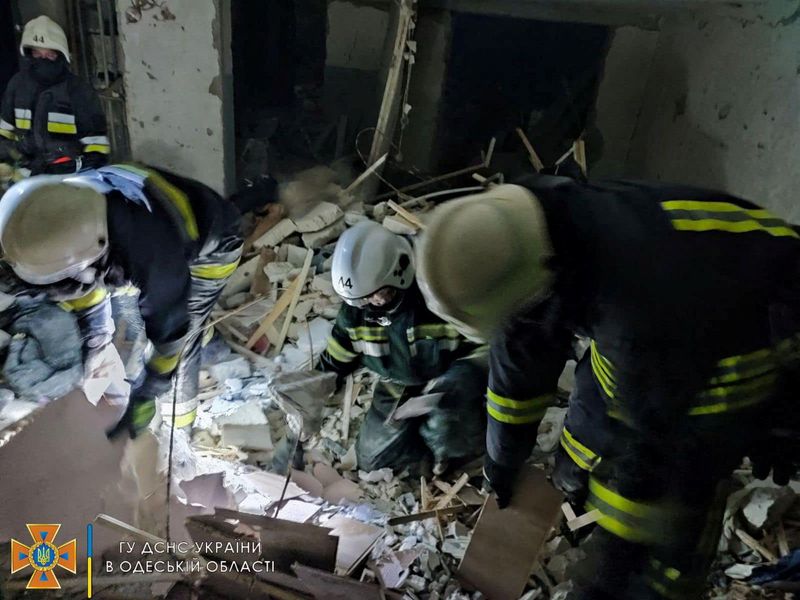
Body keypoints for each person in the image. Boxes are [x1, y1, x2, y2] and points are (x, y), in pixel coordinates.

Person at [415, 177, 800, 599]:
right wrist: (501, 463)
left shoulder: (641, 315)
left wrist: (608, 573)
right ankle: (584, 503)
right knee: (588, 434)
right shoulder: (532, 227)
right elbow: (523, 349)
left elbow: (651, 452)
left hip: (750, 333)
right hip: (656, 319)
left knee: (679, 498)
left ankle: (668, 582)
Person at [0, 163, 242, 437]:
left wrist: (149, 391)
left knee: (186, 335)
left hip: (215, 242)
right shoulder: (55, 208)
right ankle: (211, 342)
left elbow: (172, 333)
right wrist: (91, 338)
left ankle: (181, 431)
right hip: (140, 219)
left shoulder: (153, 261)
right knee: (121, 309)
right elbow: (82, 287)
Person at [318, 220, 487, 474]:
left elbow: (491, 343)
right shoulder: (356, 314)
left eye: (380, 291)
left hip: (451, 382)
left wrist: (464, 376)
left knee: (451, 438)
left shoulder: (442, 293)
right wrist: (313, 387)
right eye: (364, 298)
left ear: (399, 269)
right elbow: (337, 357)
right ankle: (427, 455)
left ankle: (462, 452)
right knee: (372, 460)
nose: (375, 301)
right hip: (397, 384)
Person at [0, 16, 110, 174]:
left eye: (50, 55)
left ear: (61, 56)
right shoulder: (17, 85)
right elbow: (3, 134)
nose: (43, 60)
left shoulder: (79, 90)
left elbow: (98, 147)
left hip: (69, 183)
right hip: (23, 184)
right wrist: (15, 153)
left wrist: (77, 164)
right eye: (37, 54)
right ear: (29, 54)